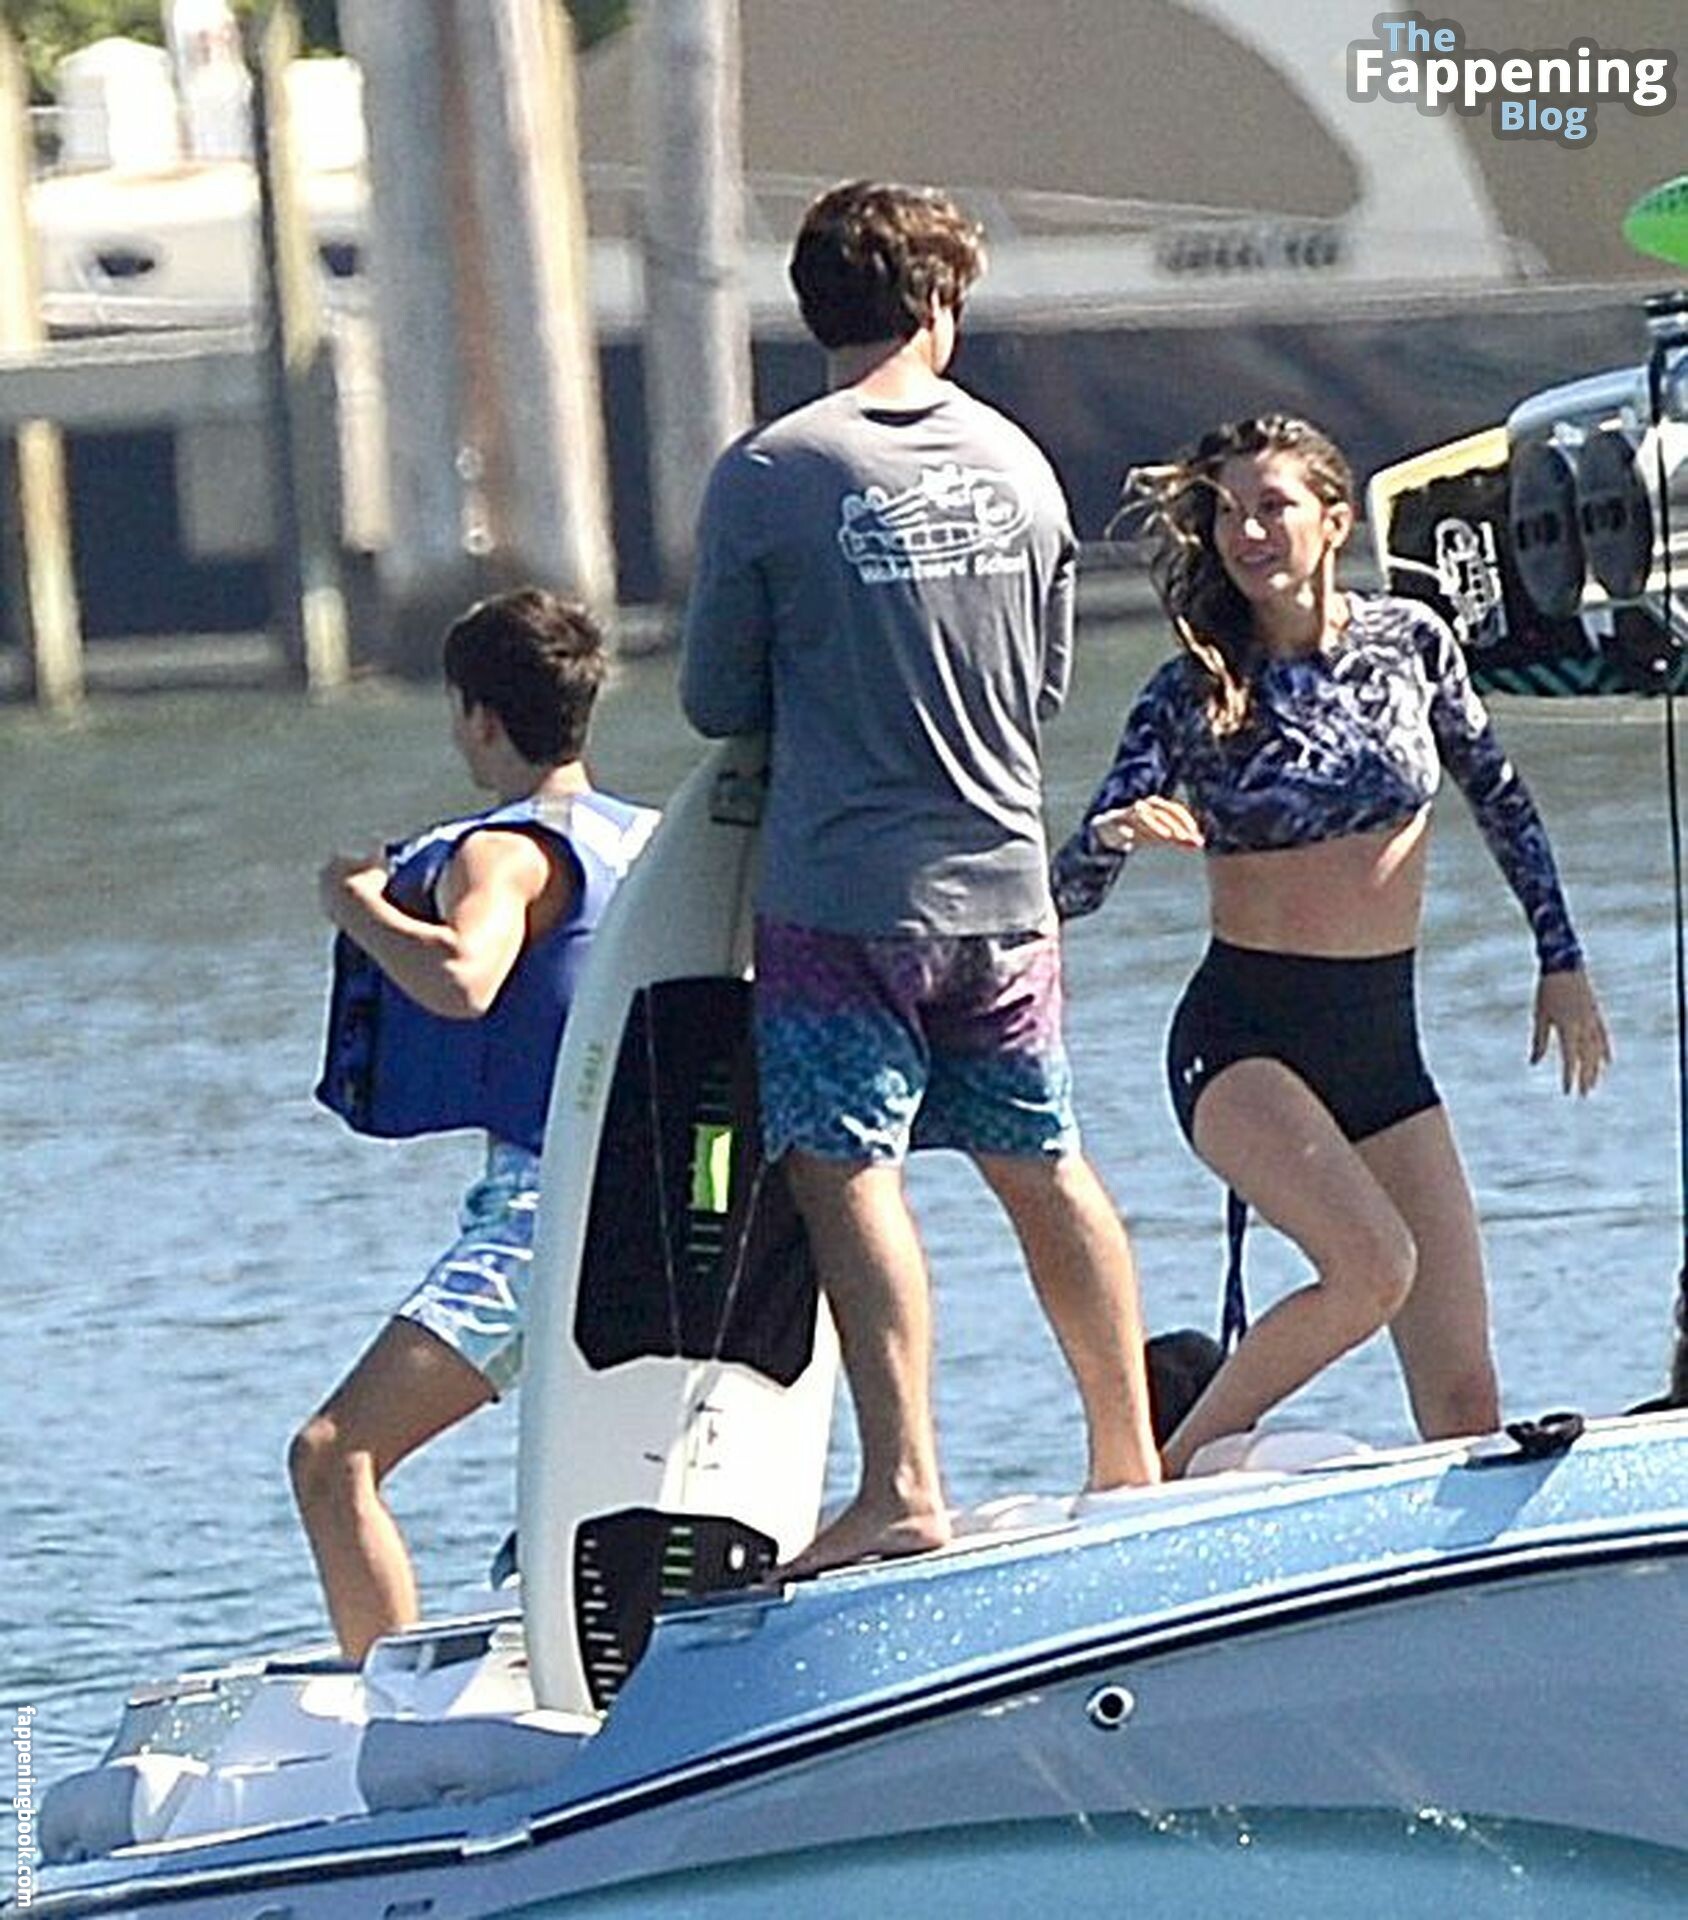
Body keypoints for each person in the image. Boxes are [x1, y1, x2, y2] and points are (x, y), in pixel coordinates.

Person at [679, 179, 1162, 1577]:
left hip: (841, 900)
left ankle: (902, 1485)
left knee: (849, 1171)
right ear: (941, 304)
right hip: (1006, 891)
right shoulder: (1020, 464)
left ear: (813, 310)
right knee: (1042, 1159)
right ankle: (1126, 1457)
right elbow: (1045, 684)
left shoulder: (770, 472)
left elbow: (716, 698)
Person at [1053, 414, 1612, 1475]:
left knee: (1466, 1399)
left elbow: (1497, 794)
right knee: (1369, 1268)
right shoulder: (1191, 689)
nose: (1248, 532)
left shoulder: (1410, 644)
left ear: (1334, 519)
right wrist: (1111, 835)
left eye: (1272, 507)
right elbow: (1068, 888)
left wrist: (1561, 959)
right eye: (1228, 513)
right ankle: (1161, 1478)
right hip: (1241, 1045)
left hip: (1381, 1050)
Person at [292, 588, 657, 1658]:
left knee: (333, 1457)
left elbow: (464, 978)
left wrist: (357, 904)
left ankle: (385, 1702)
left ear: (480, 719)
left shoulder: (504, 851)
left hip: (550, 1212)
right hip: (668, 1194)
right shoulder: (655, 840)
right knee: (591, 1485)